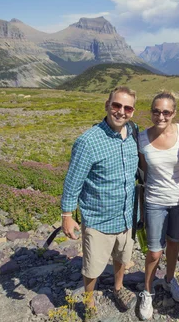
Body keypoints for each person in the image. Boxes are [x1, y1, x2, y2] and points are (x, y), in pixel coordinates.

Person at [60, 86, 139, 317]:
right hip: (98, 217)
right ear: (107, 105)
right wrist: (67, 215)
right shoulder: (88, 141)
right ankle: (89, 301)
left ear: (133, 112)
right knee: (92, 266)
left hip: (126, 214)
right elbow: (73, 180)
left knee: (122, 257)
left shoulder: (133, 131)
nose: (121, 111)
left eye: (127, 108)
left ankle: (118, 287)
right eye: (116, 105)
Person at [137, 91, 179, 320]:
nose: (161, 116)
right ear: (151, 111)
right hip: (154, 201)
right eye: (156, 111)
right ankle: (147, 291)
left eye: (166, 112)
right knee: (153, 250)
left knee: (173, 244)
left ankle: (170, 279)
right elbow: (142, 172)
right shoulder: (141, 138)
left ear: (174, 113)